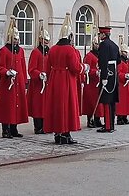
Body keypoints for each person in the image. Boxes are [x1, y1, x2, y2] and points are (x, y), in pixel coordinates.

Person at [43, 12, 89, 144]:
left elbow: (48, 66)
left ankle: (57, 133)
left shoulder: (52, 49)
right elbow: (75, 67)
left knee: (56, 106)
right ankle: (65, 133)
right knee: (66, 107)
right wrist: (84, 68)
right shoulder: (70, 50)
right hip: (67, 80)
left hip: (54, 80)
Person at [0, 16, 28, 138]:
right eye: (14, 39)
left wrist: (24, 80)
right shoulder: (4, 51)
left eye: (17, 39)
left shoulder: (21, 51)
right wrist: (7, 72)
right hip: (8, 83)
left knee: (17, 105)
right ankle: (5, 129)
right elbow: (0, 68)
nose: (16, 41)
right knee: (7, 106)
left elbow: (23, 67)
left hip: (18, 81)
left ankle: (14, 128)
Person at [27, 20, 50, 134]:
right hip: (38, 84)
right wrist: (39, 74)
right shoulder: (36, 52)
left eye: (47, 40)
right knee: (38, 106)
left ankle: (46, 125)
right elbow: (31, 69)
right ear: (41, 40)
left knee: (46, 105)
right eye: (45, 40)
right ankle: (38, 126)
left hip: (47, 83)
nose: (46, 42)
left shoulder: (49, 52)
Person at [96, 26, 121, 133]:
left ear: (103, 35)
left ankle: (107, 126)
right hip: (114, 74)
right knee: (112, 101)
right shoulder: (114, 45)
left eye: (100, 34)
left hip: (107, 74)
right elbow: (119, 61)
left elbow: (103, 61)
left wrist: (104, 77)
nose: (99, 36)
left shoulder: (104, 45)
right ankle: (111, 124)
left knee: (107, 100)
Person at [82, 33, 104, 128]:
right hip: (90, 83)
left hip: (98, 83)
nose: (98, 46)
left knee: (98, 102)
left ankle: (97, 119)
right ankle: (90, 120)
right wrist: (95, 72)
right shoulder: (89, 56)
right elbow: (86, 69)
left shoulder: (101, 55)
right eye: (96, 44)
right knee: (91, 103)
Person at [116, 35, 129, 125]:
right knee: (121, 102)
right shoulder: (119, 62)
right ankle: (119, 117)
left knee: (128, 102)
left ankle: (125, 117)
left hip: (128, 84)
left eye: (126, 52)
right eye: (124, 52)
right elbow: (118, 73)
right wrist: (124, 76)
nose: (126, 54)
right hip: (121, 84)